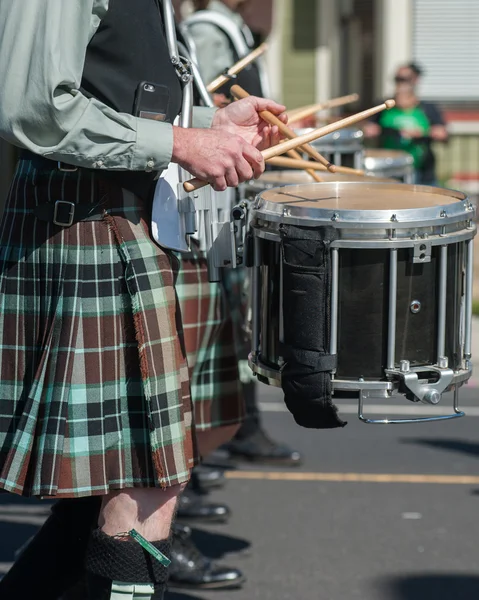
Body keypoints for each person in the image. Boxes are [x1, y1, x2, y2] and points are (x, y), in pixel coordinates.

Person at [0, 1, 287, 598]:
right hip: (86, 222)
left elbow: (112, 90)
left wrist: (208, 125)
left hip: (125, 223)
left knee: (115, 492)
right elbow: (35, 108)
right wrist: (181, 142)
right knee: (146, 486)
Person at [183, 0, 303, 467]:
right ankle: (194, 455)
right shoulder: (211, 31)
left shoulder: (233, 32)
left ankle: (233, 430)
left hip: (220, 202)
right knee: (214, 334)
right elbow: (196, 103)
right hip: (199, 207)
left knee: (232, 327)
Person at [363, 63, 448, 185]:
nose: (401, 83)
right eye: (398, 79)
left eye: (405, 79)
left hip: (422, 171)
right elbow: (368, 130)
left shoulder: (427, 108)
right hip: (389, 170)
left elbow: (443, 134)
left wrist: (422, 132)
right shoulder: (384, 106)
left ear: (415, 80)